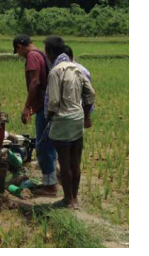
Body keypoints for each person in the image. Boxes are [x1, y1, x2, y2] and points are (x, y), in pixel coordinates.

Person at [44, 36, 96, 209]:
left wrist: (50, 117)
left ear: (50, 52)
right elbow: (90, 94)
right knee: (76, 162)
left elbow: (53, 102)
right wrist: (86, 115)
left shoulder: (55, 71)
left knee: (64, 163)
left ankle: (68, 200)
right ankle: (75, 198)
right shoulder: (77, 68)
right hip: (77, 119)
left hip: (63, 120)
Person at [13, 34, 58, 197]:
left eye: (17, 51)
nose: (19, 55)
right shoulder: (41, 53)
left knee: (43, 146)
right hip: (47, 105)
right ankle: (51, 180)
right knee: (49, 144)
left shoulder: (32, 56)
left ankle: (50, 186)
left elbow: (35, 82)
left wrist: (27, 107)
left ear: (19, 47)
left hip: (44, 107)